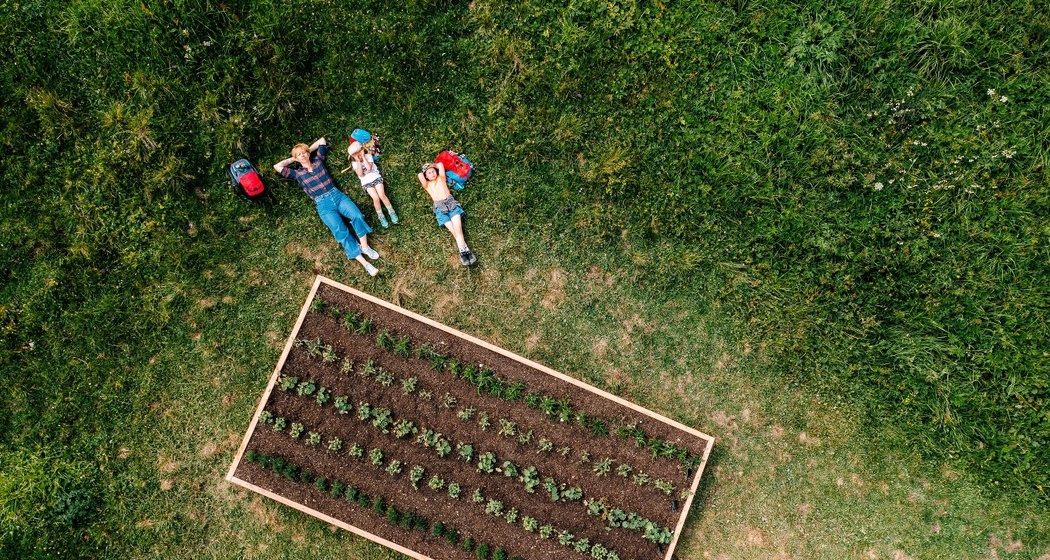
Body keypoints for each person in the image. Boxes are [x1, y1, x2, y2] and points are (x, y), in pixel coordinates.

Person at [274, 137, 381, 276]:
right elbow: (278, 167)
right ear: (296, 158)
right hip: (323, 204)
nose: (303, 155)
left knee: (357, 215)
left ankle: (365, 247)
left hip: (336, 195)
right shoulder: (297, 173)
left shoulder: (318, 160)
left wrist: (307, 150)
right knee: (341, 232)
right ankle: (365, 264)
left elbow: (322, 141)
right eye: (299, 154)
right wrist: (294, 159)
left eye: (304, 152)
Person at [417, 161, 476, 266]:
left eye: (433, 171)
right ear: (426, 176)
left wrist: (434, 166)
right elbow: (420, 175)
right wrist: (425, 170)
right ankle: (467, 250)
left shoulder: (441, 178)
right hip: (440, 208)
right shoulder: (427, 185)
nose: (432, 174)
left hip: (450, 203)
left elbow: (440, 164)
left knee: (458, 228)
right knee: (453, 231)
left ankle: (463, 253)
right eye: (429, 173)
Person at [347, 141, 399, 228]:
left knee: (382, 195)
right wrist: (358, 161)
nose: (358, 155)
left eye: (359, 152)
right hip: (366, 183)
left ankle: (391, 211)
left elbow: (369, 168)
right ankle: (381, 216)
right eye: (355, 154)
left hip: (376, 178)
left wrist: (363, 157)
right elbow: (360, 174)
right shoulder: (354, 163)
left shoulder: (368, 156)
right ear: (352, 156)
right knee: (375, 198)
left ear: (362, 150)